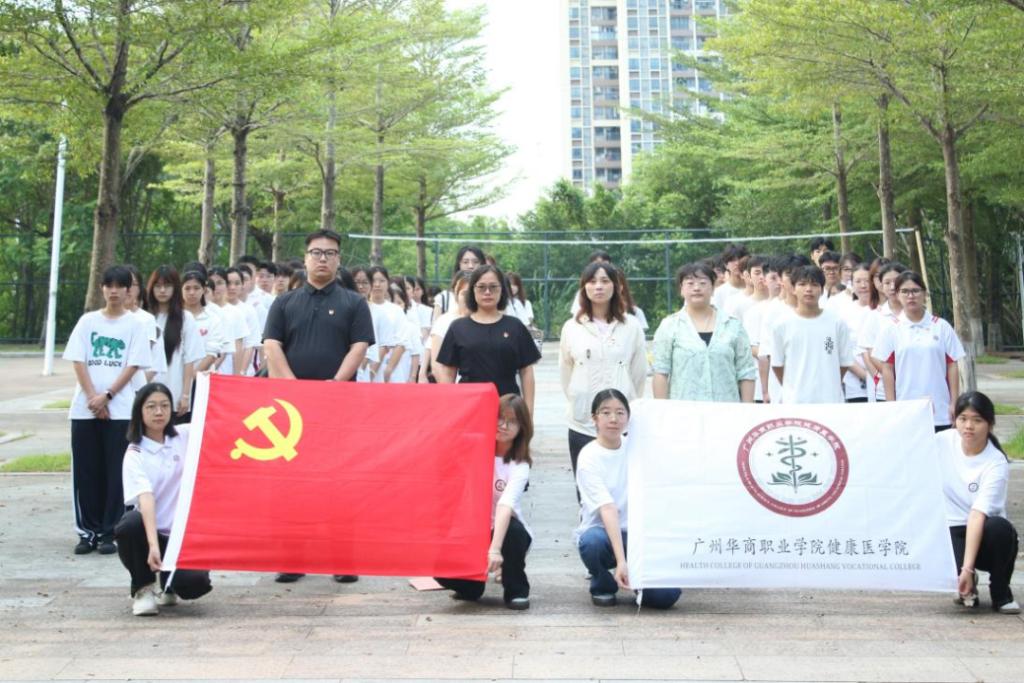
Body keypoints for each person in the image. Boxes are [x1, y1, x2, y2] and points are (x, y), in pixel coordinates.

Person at [263, 229, 375, 583]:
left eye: (330, 253)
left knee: (340, 482)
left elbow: (359, 347)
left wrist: (336, 384)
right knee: (292, 484)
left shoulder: (353, 303)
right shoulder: (284, 303)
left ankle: (343, 559)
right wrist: (293, 388)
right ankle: (292, 558)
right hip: (291, 411)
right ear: (306, 258)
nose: (322, 258)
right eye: (316, 252)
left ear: (339, 259)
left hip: (339, 407)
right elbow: (271, 345)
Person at [63, 265, 150, 555]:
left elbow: (133, 364)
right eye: (108, 285)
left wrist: (108, 396)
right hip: (85, 409)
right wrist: (93, 397)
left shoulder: (135, 325)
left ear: (129, 291)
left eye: (119, 286)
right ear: (102, 289)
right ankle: (87, 531)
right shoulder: (88, 322)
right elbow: (78, 360)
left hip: (121, 410)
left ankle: (109, 532)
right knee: (86, 472)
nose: (113, 291)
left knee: (117, 473)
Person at [576, 389, 681, 609]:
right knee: (591, 542)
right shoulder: (589, 457)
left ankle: (638, 583)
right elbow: (608, 509)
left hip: (639, 534)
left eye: (620, 412)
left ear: (628, 417)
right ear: (594, 418)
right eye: (606, 413)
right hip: (604, 533)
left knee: (666, 597)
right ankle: (603, 584)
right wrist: (622, 561)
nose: (613, 419)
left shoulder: (638, 447)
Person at [116, 383, 212, 616]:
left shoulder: (184, 435)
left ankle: (170, 585)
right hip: (151, 532)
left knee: (194, 585)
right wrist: (153, 546)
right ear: (139, 411)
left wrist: (212, 383)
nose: (158, 412)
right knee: (130, 524)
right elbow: (146, 499)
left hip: (182, 537)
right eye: (151, 407)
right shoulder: (135, 454)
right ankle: (143, 588)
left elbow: (217, 420)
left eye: (164, 406)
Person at [435, 394, 534, 610]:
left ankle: (516, 589)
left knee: (514, 532)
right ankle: (471, 587)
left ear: (522, 429)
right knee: (440, 567)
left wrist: (494, 549)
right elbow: (446, 435)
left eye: (512, 421)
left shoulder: (520, 465)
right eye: (499, 418)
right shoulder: (474, 445)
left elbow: (505, 505)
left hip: (503, 531)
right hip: (471, 528)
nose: (503, 425)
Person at [559, 261, 647, 484]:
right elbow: (566, 371)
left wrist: (626, 401)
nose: (598, 286)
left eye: (605, 281)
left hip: (620, 422)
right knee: (585, 486)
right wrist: (579, 396)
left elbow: (638, 373)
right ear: (584, 288)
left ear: (617, 286)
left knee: (621, 485)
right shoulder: (572, 327)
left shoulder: (632, 326)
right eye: (592, 281)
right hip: (582, 421)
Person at [937, 392, 1019, 614]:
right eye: (963, 419)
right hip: (952, 528)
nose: (968, 426)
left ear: (990, 425)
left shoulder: (996, 463)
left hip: (985, 531)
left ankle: (1001, 592)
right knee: (946, 554)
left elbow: (977, 515)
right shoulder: (942, 441)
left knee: (1000, 529)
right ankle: (967, 585)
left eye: (977, 420)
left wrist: (967, 567)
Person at [435, 265, 542, 414]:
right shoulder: (458, 328)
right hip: (468, 407)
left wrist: (528, 413)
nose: (487, 292)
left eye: (493, 287)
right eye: (481, 287)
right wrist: (449, 411)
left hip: (508, 408)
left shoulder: (515, 326)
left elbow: (526, 372)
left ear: (502, 290)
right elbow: (448, 374)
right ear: (473, 290)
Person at [872, 271, 965, 431]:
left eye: (915, 291)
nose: (911, 296)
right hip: (905, 408)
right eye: (905, 291)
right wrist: (891, 406)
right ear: (898, 295)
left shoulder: (941, 326)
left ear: (925, 294)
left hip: (940, 408)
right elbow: (887, 369)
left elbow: (952, 365)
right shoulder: (891, 329)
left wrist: (954, 402)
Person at [653, 262, 756, 402]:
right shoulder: (669, 326)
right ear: (681, 290)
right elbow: (661, 371)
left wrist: (747, 409)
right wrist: (662, 410)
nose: (696, 288)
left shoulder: (733, 326)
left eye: (703, 283)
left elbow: (746, 372)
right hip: (683, 410)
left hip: (726, 408)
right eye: (690, 283)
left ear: (713, 289)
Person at [770, 265, 855, 404]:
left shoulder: (837, 322)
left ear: (822, 290)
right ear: (793, 288)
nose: (808, 289)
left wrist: (829, 384)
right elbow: (777, 364)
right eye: (802, 284)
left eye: (814, 284)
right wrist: (793, 387)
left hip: (830, 401)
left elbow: (844, 362)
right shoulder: (782, 324)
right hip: (795, 402)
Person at [145, 266, 205, 420]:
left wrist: (185, 394)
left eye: (167, 286)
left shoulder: (186, 318)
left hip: (174, 392)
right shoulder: (143, 318)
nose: (162, 290)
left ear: (175, 288)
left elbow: (189, 359)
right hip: (145, 392)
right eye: (158, 286)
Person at [743, 255, 782, 403]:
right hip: (763, 387)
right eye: (773, 278)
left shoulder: (793, 309)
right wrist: (777, 353)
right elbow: (752, 347)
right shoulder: (754, 311)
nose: (778, 283)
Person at [421, 271, 472, 384]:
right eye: (464, 293)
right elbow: (436, 366)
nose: (469, 298)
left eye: (472, 293)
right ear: (456, 295)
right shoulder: (445, 321)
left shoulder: (483, 320)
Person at [839, 263, 877, 403]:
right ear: (852, 285)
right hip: (855, 384)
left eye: (867, 281)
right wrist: (864, 375)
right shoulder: (844, 312)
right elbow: (837, 347)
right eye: (858, 281)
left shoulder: (882, 311)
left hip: (884, 382)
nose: (863, 285)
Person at [180, 271, 224, 378]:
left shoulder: (213, 319)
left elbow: (212, 353)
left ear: (204, 290)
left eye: (196, 288)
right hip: (176, 376)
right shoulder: (174, 317)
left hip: (202, 378)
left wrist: (192, 376)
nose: (192, 292)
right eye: (187, 288)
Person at [366, 266, 406, 383]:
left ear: (388, 283)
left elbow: (401, 342)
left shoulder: (396, 310)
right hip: (366, 365)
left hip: (390, 369)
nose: (377, 285)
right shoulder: (362, 308)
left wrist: (389, 369)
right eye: (374, 280)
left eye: (382, 281)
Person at [207, 267, 249, 375]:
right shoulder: (203, 311)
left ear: (226, 285)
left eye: (220, 283)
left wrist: (237, 376)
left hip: (226, 371)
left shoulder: (235, 313)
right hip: (203, 370)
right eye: (212, 283)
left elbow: (238, 348)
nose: (216, 287)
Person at [433, 246, 485, 322]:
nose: (471, 266)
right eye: (465, 262)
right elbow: (436, 325)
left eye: (475, 262)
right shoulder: (444, 297)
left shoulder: (488, 294)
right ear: (459, 264)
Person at [388, 282, 423, 383]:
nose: (396, 306)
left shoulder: (411, 327)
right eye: (392, 302)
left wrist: (412, 377)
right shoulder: (383, 324)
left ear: (405, 304)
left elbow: (415, 353)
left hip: (402, 376)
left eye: (399, 302)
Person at [711, 243, 748, 311]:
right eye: (733, 260)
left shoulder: (755, 289)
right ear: (726, 265)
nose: (737, 263)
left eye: (740, 259)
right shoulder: (719, 293)